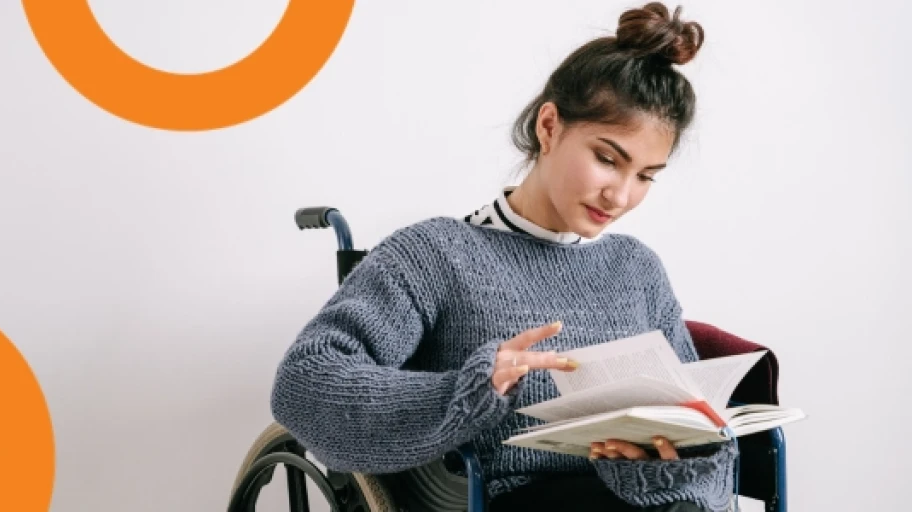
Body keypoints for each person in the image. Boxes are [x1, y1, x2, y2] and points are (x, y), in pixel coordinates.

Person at [270, 3, 736, 511]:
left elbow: (702, 430)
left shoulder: (637, 270)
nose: (620, 196)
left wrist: (666, 463)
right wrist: (468, 390)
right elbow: (305, 382)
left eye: (646, 176)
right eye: (607, 159)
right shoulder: (437, 255)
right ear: (550, 126)